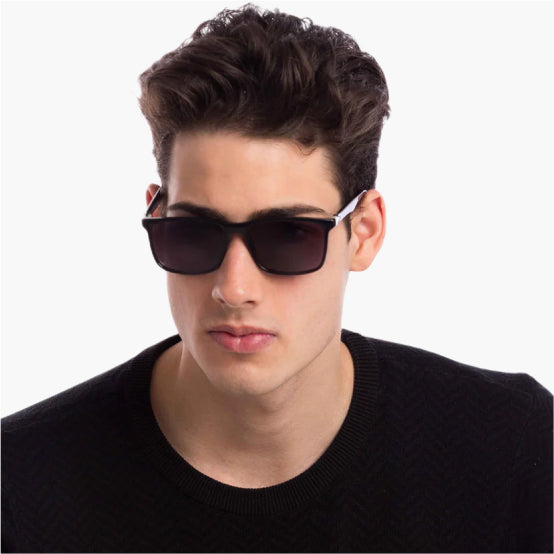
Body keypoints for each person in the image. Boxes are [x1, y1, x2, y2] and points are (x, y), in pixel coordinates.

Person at [2, 3, 552, 552]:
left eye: (288, 235)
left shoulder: (511, 449)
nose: (234, 288)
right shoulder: (19, 488)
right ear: (158, 214)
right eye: (194, 232)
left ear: (363, 232)